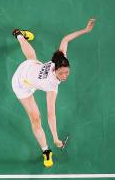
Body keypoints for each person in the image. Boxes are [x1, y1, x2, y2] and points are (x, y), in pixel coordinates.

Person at [11, 19, 96, 167]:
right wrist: (56, 138)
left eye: (67, 72)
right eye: (62, 73)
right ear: (55, 69)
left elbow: (65, 39)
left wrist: (85, 30)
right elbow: (51, 114)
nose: (65, 76)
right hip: (21, 83)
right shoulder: (51, 86)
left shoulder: (60, 60)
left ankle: (19, 35)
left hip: (33, 68)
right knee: (36, 119)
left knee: (32, 58)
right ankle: (46, 151)